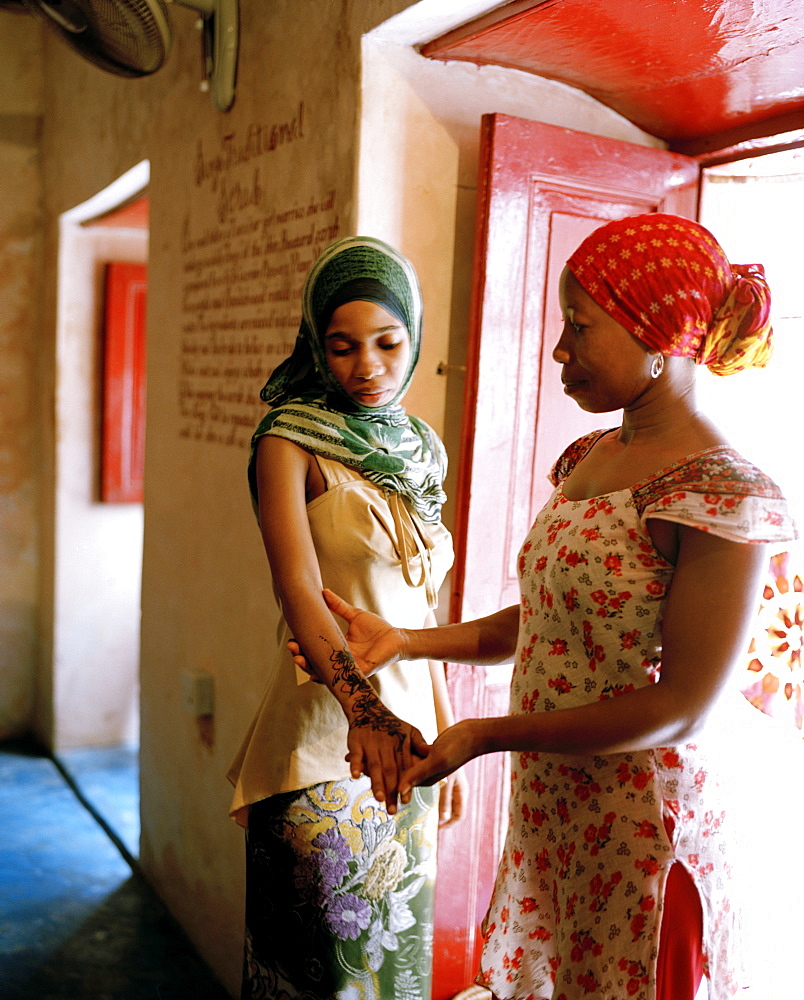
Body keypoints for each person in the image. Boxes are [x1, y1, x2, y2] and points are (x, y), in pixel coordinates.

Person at [302, 215, 799, 1000]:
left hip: (643, 838)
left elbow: (683, 708)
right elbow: (546, 622)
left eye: (580, 326)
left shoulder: (718, 496)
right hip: (559, 818)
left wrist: (488, 734)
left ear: (658, 331)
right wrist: (406, 640)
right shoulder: (592, 459)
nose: (561, 351)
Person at [227, 236, 463, 1000]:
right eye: (344, 346)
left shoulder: (420, 450)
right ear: (315, 346)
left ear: (414, 340)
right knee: (321, 980)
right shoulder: (289, 442)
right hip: (325, 743)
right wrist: (362, 709)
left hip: (410, 744)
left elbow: (416, 606)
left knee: (394, 976)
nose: (368, 367)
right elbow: (297, 591)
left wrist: (442, 719)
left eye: (389, 343)